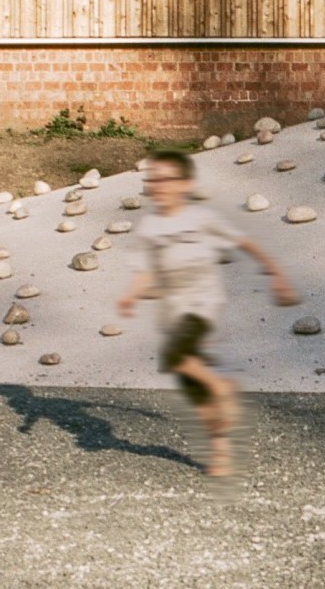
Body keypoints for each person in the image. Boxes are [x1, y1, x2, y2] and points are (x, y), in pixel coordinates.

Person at [115, 146, 299, 476]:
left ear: (185, 183)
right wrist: (131, 295)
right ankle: (221, 451)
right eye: (153, 180)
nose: (159, 186)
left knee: (175, 356)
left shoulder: (201, 218)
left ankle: (220, 386)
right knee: (195, 390)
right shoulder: (149, 227)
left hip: (201, 305)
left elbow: (245, 244)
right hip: (172, 312)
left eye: (167, 179)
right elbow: (145, 269)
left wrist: (276, 274)